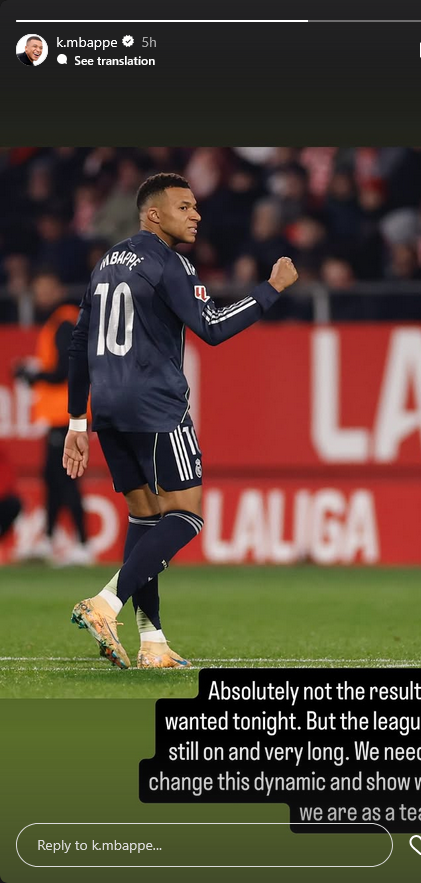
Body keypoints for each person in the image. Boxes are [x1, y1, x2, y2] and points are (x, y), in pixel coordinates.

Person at [64, 172, 298, 670]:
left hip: (107, 407)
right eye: (184, 206)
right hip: (154, 404)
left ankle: (153, 642)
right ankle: (105, 604)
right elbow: (211, 328)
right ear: (153, 214)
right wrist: (271, 289)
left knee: (145, 517)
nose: (195, 214)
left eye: (195, 206)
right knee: (186, 515)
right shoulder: (169, 263)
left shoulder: (105, 263)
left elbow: (80, 342)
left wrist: (76, 423)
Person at [14, 271, 91, 565]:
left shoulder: (64, 322)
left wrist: (33, 374)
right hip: (61, 415)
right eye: (38, 289)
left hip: (67, 416)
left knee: (66, 480)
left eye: (47, 288)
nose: (42, 295)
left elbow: (63, 370)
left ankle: (84, 545)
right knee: (53, 478)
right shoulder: (60, 322)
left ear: (59, 289)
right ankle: (48, 539)